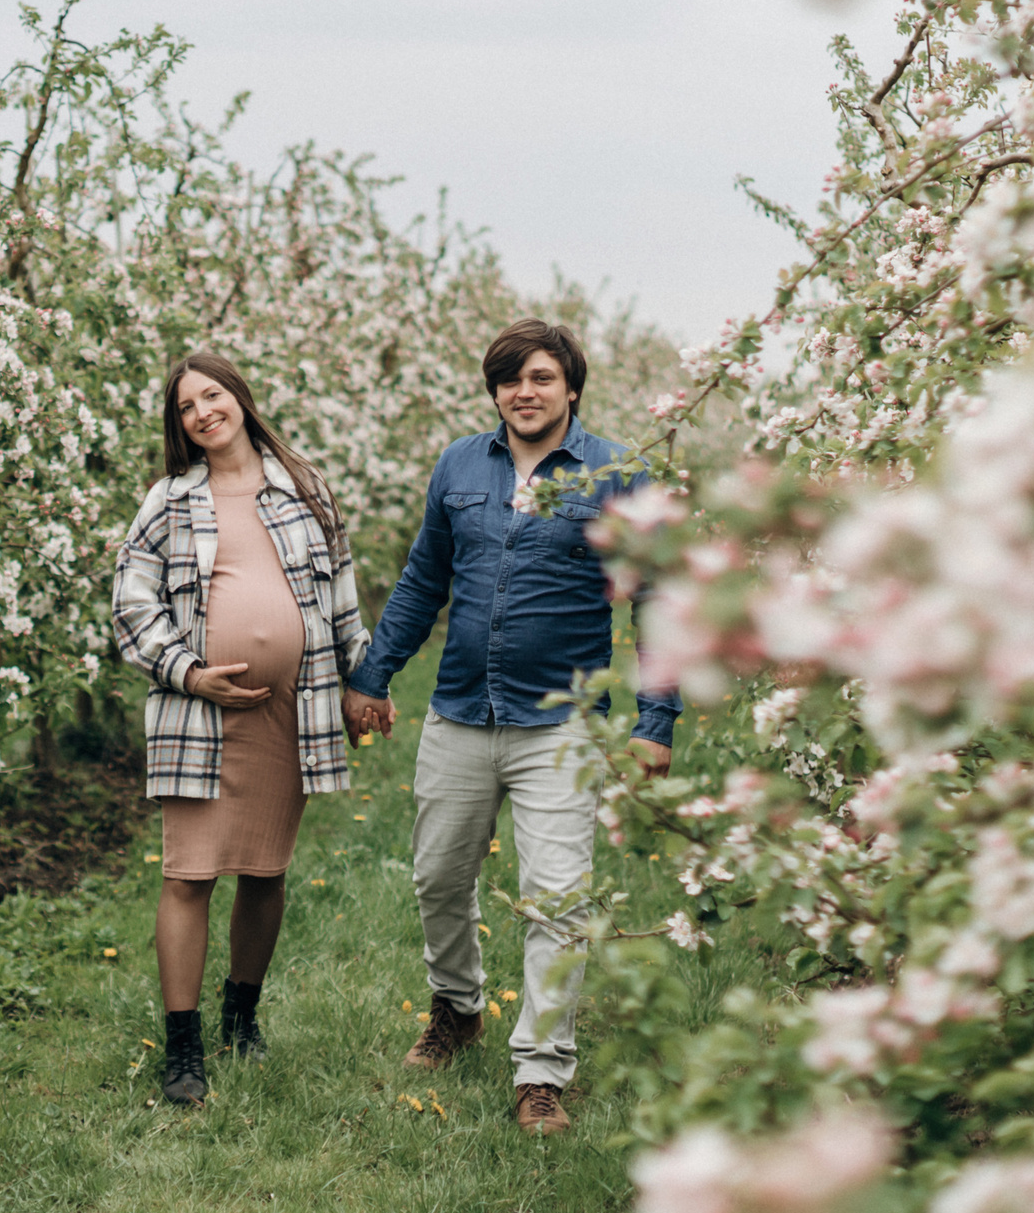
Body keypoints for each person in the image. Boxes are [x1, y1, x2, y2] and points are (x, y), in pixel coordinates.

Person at [343, 318, 679, 1137]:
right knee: (437, 879)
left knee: (556, 899)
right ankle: (457, 1008)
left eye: (538, 378)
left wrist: (656, 718)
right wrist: (372, 672)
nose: (522, 392)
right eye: (507, 379)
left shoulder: (615, 475)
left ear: (571, 387)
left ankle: (541, 1071)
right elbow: (425, 578)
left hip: (561, 724)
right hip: (461, 710)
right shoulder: (461, 463)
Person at [112, 351, 369, 1105]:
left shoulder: (305, 488)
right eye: (186, 406)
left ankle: (242, 1015)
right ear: (180, 425)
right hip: (198, 711)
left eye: (212, 395)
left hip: (291, 710)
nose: (202, 412)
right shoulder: (168, 500)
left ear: (240, 398)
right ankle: (184, 1044)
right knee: (188, 872)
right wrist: (190, 672)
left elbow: (343, 593)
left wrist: (363, 679)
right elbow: (131, 602)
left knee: (265, 869)